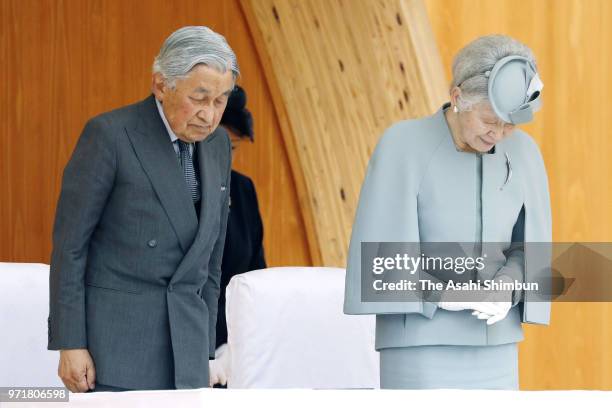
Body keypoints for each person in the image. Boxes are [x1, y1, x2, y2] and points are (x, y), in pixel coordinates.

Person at [344, 35, 551, 389]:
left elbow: (528, 247)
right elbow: (381, 258)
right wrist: (446, 295)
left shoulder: (525, 152)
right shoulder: (402, 146)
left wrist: (506, 288)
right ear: (458, 98)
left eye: (509, 125)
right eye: (489, 120)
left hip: (497, 344)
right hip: (421, 343)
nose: (498, 134)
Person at [47, 26, 239, 392]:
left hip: (187, 345)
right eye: (199, 98)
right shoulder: (110, 136)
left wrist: (207, 347)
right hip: (117, 346)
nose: (209, 115)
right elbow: (70, 247)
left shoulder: (218, 146)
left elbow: (211, 258)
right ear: (161, 85)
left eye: (220, 100)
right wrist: (70, 343)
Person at [208, 85, 267, 387]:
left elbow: (257, 275)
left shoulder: (243, 189)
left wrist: (240, 343)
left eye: (233, 148)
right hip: (193, 345)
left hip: (238, 346)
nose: (225, 157)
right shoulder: (178, 188)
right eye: (219, 145)